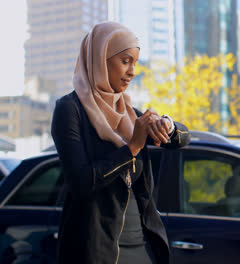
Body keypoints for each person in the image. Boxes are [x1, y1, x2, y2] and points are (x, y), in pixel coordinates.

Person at [51, 22, 190, 264]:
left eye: (135, 63)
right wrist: (132, 148)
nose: (133, 71)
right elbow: (81, 182)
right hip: (95, 251)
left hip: (143, 248)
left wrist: (166, 123)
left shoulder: (130, 113)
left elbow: (183, 139)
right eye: (125, 61)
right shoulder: (70, 110)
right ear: (100, 59)